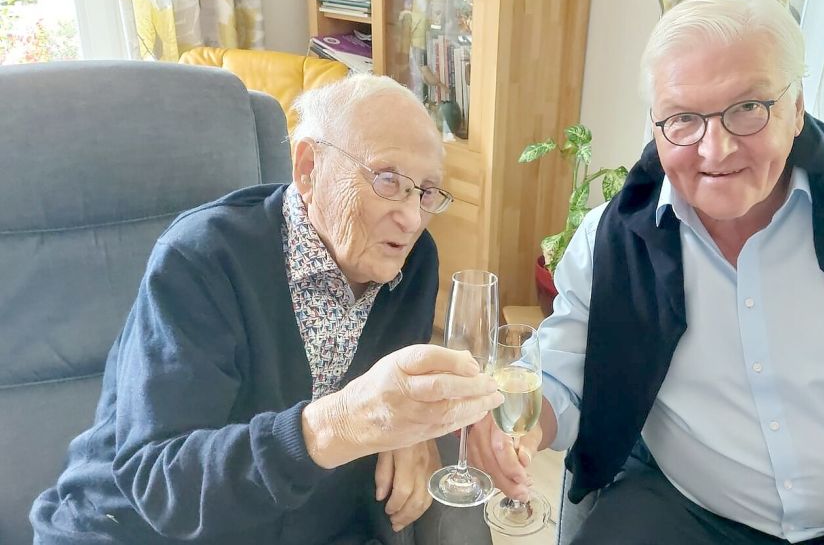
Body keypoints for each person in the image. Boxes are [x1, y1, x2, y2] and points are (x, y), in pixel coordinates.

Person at [469, 0, 824, 544]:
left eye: (748, 108)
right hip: (686, 506)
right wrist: (516, 432)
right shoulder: (613, 239)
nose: (714, 150)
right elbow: (567, 364)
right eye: (683, 119)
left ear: (797, 107)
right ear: (655, 124)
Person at [31, 74, 503, 545]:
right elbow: (161, 483)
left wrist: (413, 430)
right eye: (388, 180)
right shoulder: (202, 259)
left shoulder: (413, 264)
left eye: (426, 192)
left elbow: (395, 390)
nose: (413, 218)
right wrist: (339, 423)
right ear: (308, 168)